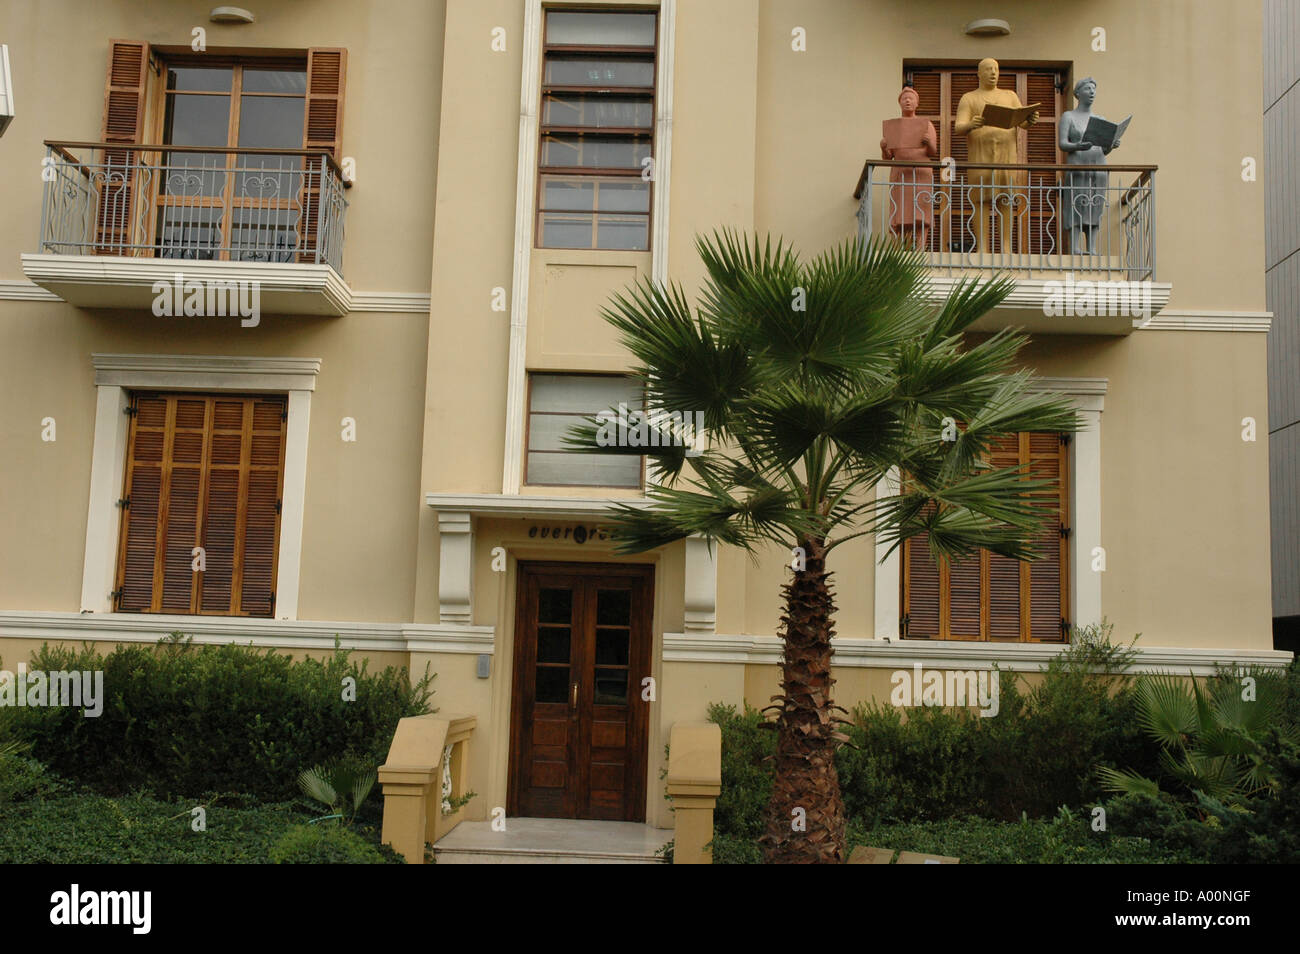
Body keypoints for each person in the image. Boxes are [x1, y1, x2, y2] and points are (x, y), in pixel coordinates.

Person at [953, 58, 1038, 254]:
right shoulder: (969, 98)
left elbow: (1022, 122)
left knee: (1005, 199)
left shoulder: (1010, 95)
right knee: (981, 200)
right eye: (988, 69)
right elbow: (959, 127)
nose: (993, 72)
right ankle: (982, 247)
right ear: (979, 74)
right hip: (980, 156)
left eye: (996, 69)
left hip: (1006, 156)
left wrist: (1030, 119)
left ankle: (1006, 247)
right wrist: (971, 124)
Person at [1059, 77, 1118, 255]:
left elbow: (1103, 149)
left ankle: (1091, 248)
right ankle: (1075, 247)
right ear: (1078, 93)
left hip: (1098, 166)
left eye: (1093, 89)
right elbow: (1062, 144)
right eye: (1087, 89)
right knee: (1076, 203)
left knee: (1095, 204)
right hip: (1078, 165)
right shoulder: (1068, 116)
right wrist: (1078, 145)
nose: (1092, 92)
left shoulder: (1100, 119)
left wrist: (1111, 146)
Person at [879, 86, 940, 249]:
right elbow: (888, 157)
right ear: (899, 103)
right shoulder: (895, 126)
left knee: (921, 211)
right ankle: (901, 248)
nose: (907, 101)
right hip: (901, 173)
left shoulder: (926, 125)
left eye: (911, 98)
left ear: (916, 103)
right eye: (904, 99)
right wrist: (883, 147)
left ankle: (920, 247)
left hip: (921, 172)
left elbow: (933, 152)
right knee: (901, 211)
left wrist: (929, 142)